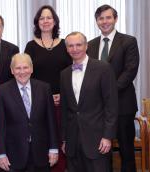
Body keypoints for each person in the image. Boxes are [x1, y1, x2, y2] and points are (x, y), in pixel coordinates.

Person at [87, 5, 140, 172]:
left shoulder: (129, 41)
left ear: (115, 19)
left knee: (126, 150)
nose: (105, 21)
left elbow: (130, 71)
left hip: (123, 105)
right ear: (96, 22)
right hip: (99, 109)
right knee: (103, 150)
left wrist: (108, 92)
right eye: (101, 18)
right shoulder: (90, 45)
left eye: (108, 17)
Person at [61, 32, 118, 172]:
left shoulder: (103, 68)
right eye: (71, 46)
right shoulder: (64, 73)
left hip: (98, 140)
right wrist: (64, 139)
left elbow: (111, 105)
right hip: (73, 141)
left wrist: (107, 136)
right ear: (67, 49)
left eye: (78, 45)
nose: (75, 49)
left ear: (86, 46)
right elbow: (65, 109)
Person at [24, 5, 71, 171]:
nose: (45, 21)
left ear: (55, 21)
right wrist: (45, 96)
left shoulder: (66, 44)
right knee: (42, 140)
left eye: (49, 17)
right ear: (37, 22)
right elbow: (25, 75)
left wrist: (62, 95)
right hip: (39, 104)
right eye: (42, 18)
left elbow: (72, 74)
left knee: (60, 139)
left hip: (62, 103)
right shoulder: (30, 46)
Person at [0, 53, 59, 172]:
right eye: (18, 68)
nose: (22, 72)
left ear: (32, 69)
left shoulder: (44, 88)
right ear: (12, 70)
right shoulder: (1, 91)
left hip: (41, 152)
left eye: (25, 67)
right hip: (13, 154)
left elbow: (51, 121)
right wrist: (1, 153)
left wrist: (54, 148)